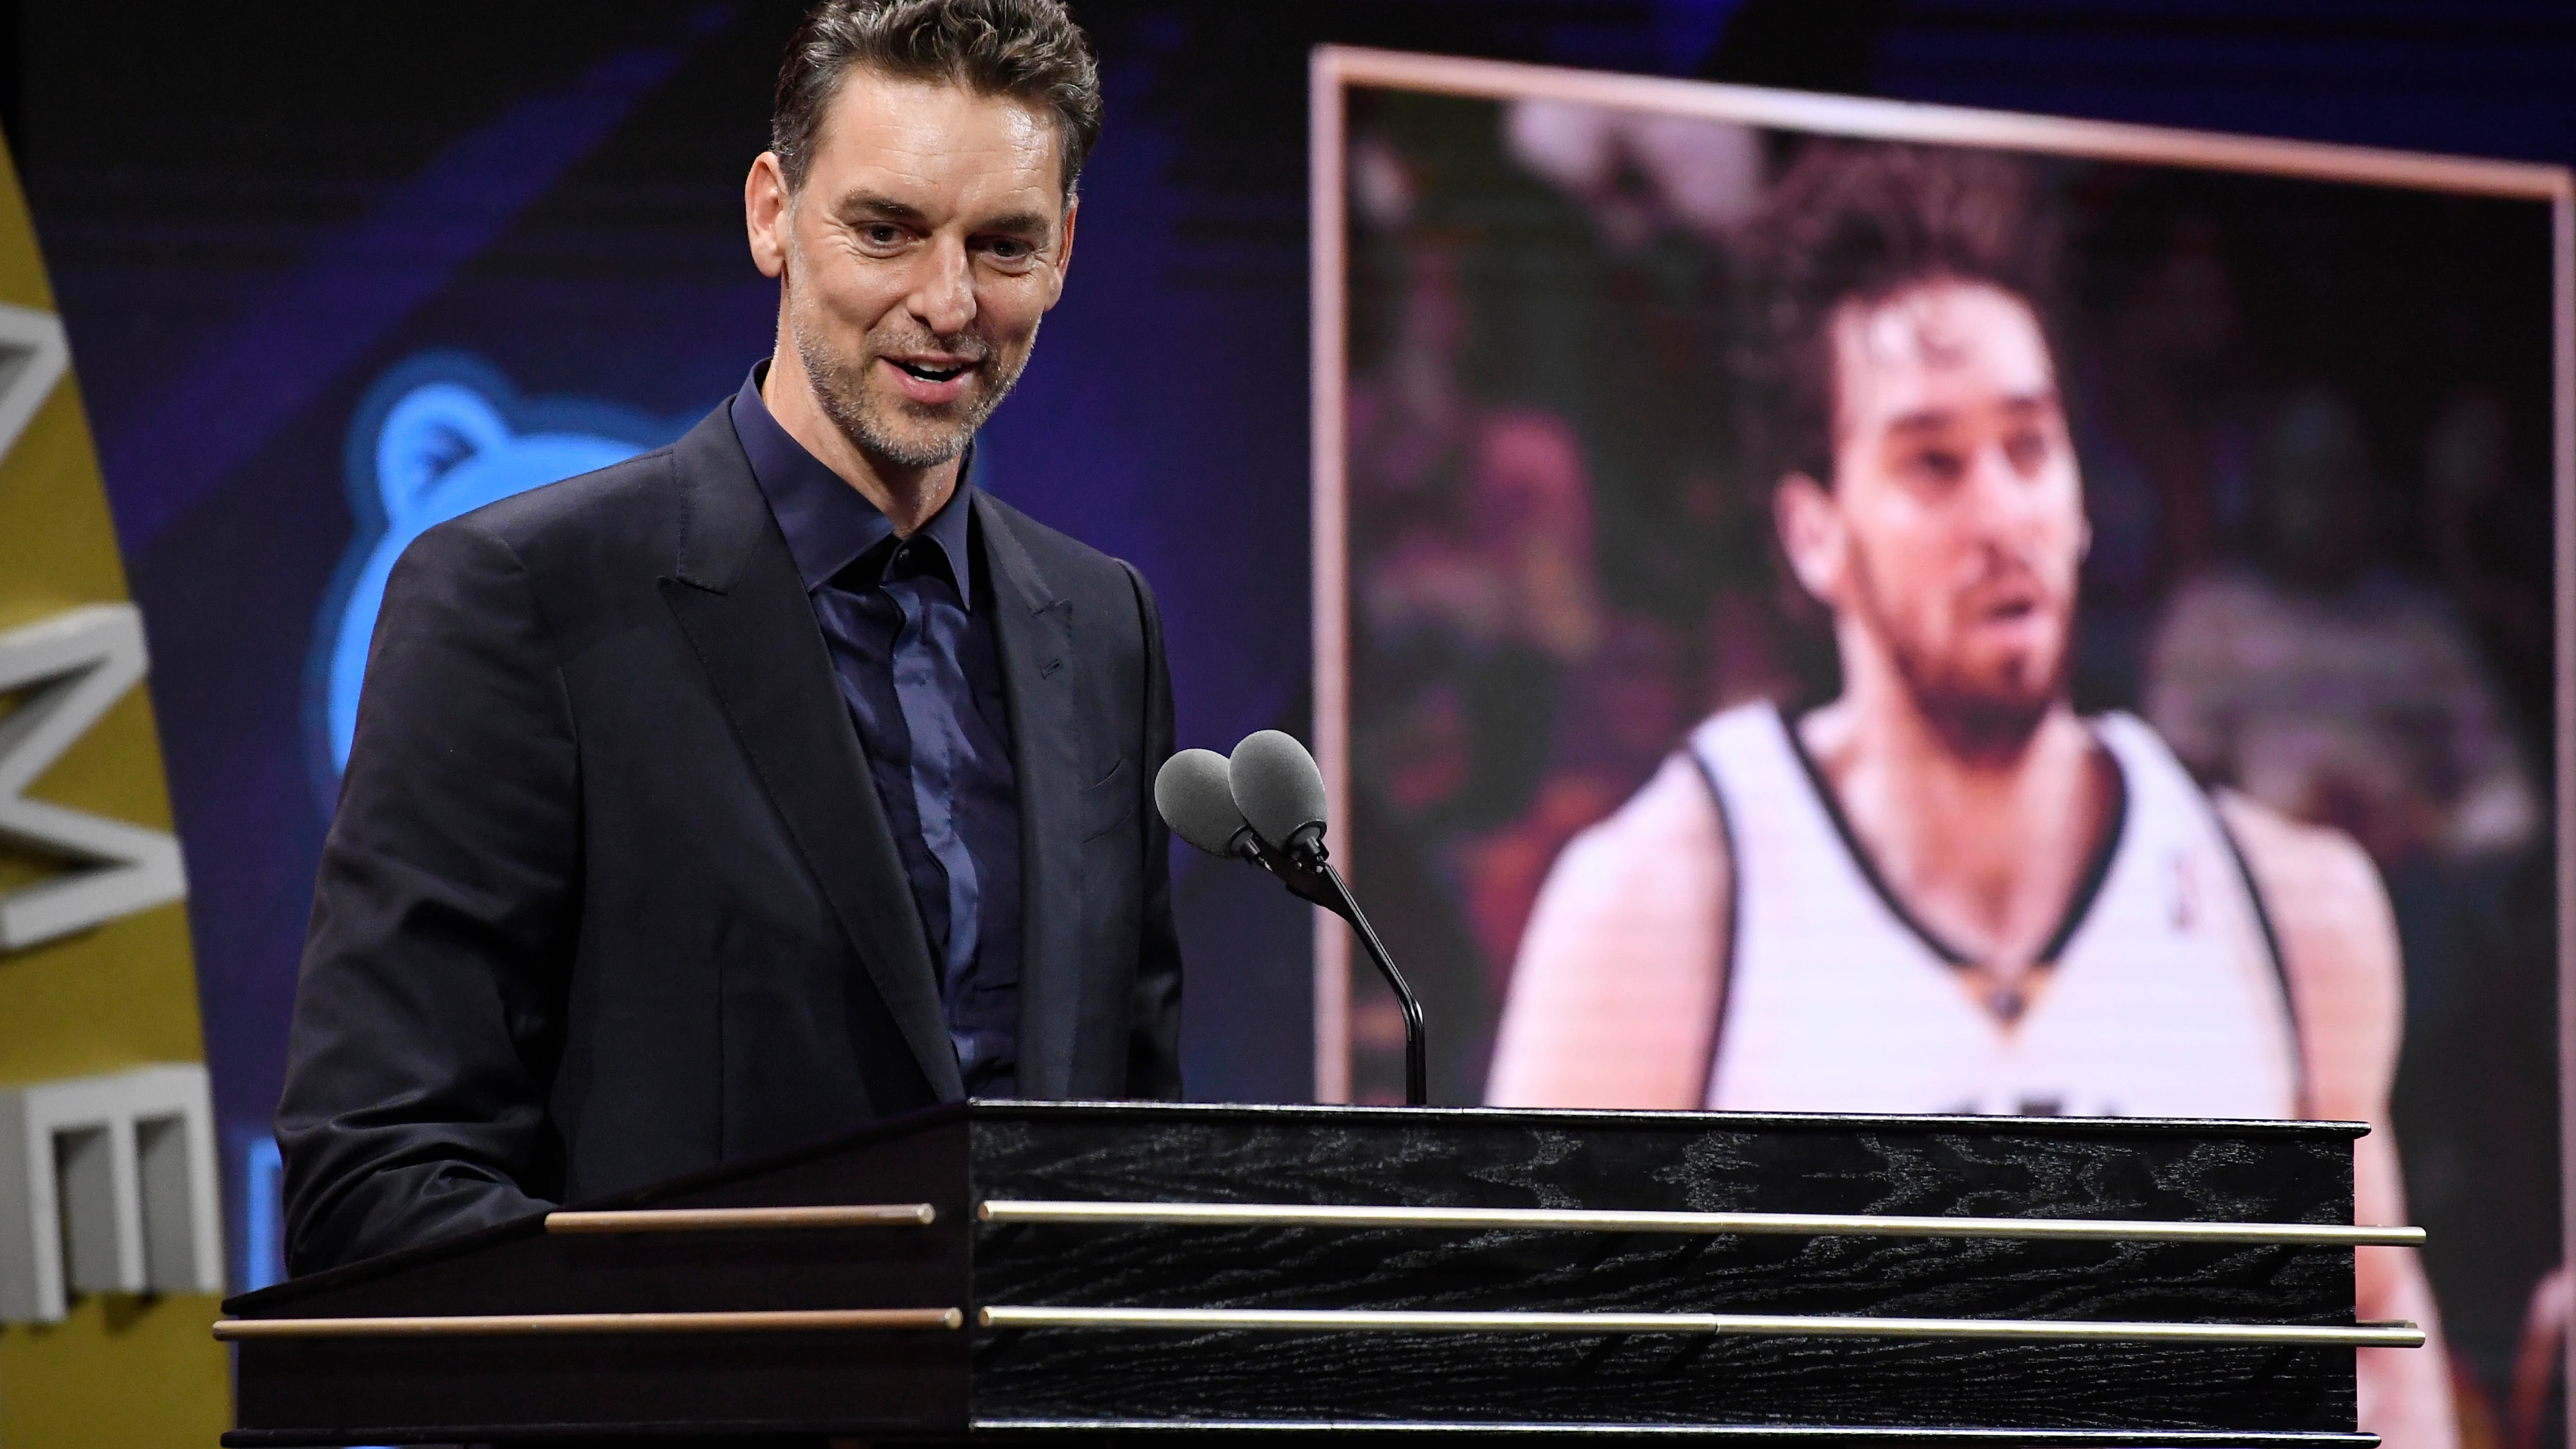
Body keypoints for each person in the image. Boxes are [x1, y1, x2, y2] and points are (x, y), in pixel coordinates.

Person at [1486, 143, 2453, 1447]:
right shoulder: (1658, 911)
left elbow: (2381, 1346)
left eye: (2029, 445)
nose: (2002, 511)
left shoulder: (2295, 910)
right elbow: (1508, 1388)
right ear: (1814, 532)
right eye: (1933, 463)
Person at [277, 0, 1182, 1275]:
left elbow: (1137, 1158)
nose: (948, 300)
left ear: (1067, 251)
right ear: (773, 212)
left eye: (1004, 245)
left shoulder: (1103, 630)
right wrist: (754, 1341)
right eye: (887, 230)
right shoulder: (517, 597)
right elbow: (376, 1174)